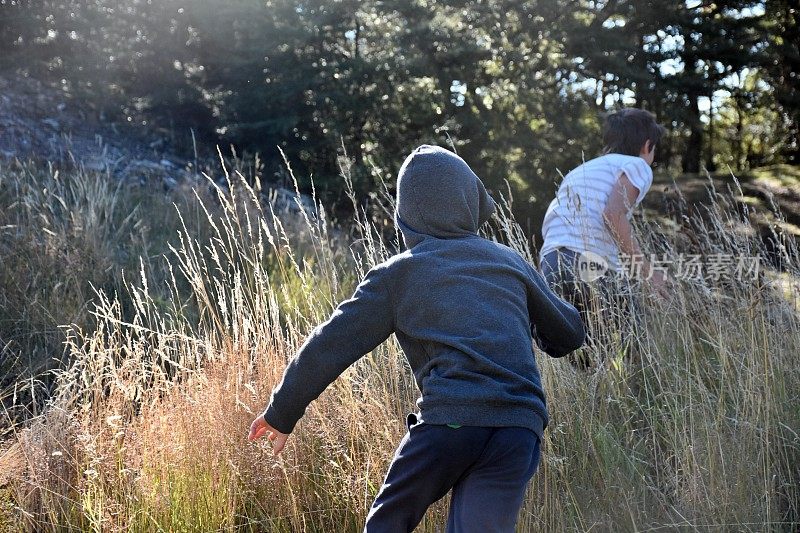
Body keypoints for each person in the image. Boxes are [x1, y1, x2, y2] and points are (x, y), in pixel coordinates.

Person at [248, 144, 586, 532]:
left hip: (449, 423)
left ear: (406, 215)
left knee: (387, 524)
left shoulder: (399, 274)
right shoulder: (508, 261)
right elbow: (569, 333)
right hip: (517, 428)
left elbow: (330, 344)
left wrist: (281, 412)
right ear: (469, 202)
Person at [538, 108, 668, 365]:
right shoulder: (637, 165)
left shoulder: (581, 170)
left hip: (551, 264)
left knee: (579, 351)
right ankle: (645, 397)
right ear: (647, 145)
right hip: (588, 263)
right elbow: (613, 215)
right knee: (636, 333)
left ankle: (586, 399)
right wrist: (647, 272)